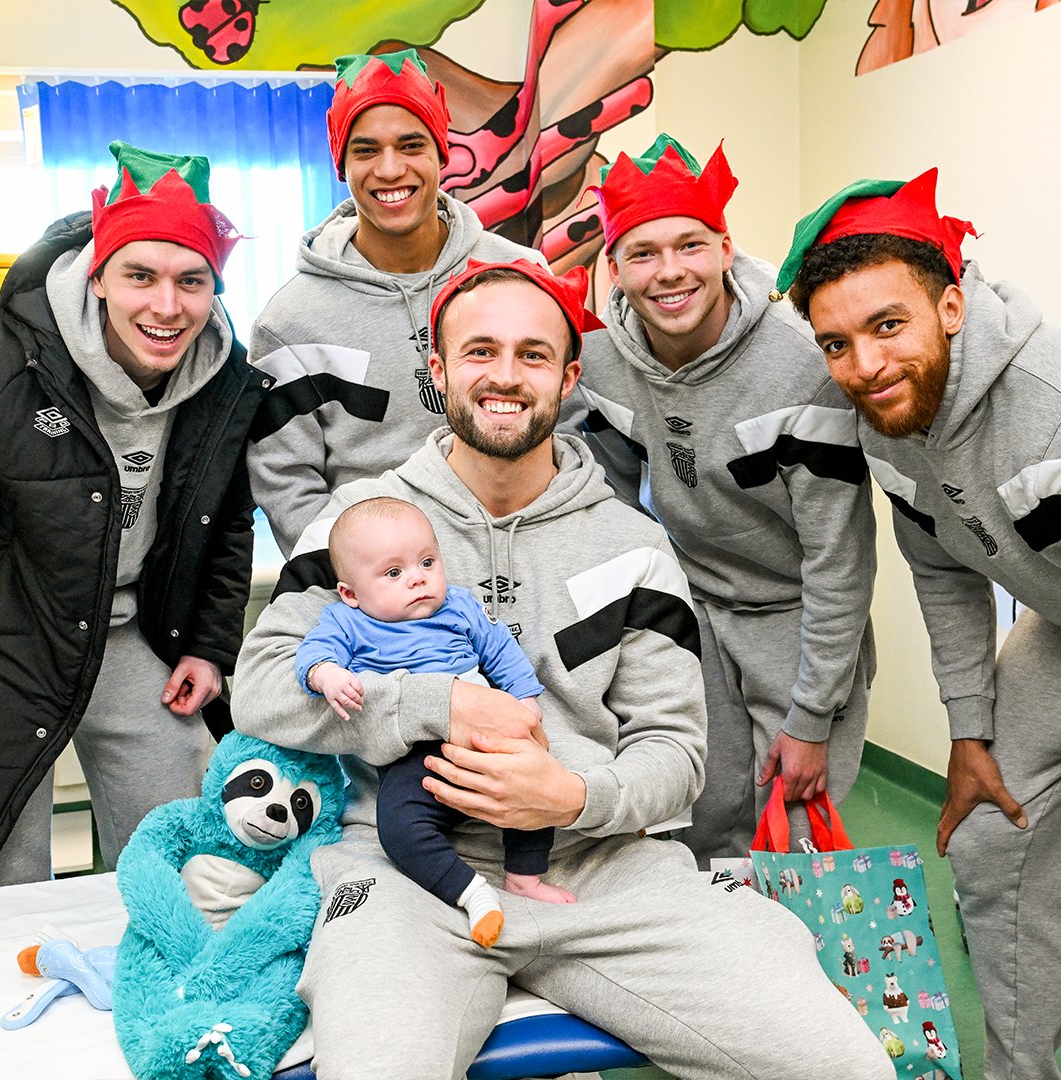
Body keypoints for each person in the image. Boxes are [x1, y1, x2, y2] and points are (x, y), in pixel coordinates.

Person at [232, 258, 895, 1079]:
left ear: (568, 376)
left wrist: (574, 797)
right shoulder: (359, 524)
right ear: (438, 373)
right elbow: (259, 685)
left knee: (843, 1065)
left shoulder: (633, 545)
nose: (504, 375)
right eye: (478, 352)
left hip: (602, 870)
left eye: (533, 355)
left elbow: (677, 757)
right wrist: (430, 705)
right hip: (404, 873)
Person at [778, 166, 1061, 1080]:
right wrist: (970, 732)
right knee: (989, 833)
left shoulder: (1047, 403)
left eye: (886, 326)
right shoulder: (886, 424)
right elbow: (944, 575)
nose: (865, 367)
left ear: (949, 306)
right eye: (836, 344)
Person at [577, 134, 877, 860]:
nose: (670, 272)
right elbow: (610, 507)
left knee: (795, 833)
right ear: (614, 268)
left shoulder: (801, 366)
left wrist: (810, 719)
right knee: (699, 817)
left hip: (796, 614)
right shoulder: (601, 364)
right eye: (643, 254)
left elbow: (839, 561)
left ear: (724, 247)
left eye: (689, 246)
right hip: (693, 608)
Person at [0, 141, 271, 886]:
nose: (166, 306)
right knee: (6, 867)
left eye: (191, 281)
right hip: (7, 637)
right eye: (139, 275)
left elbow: (226, 525)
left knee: (179, 858)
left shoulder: (227, 382)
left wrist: (209, 647)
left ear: (216, 287)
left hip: (133, 633)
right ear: (100, 275)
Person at [247, 48, 550, 557]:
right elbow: (284, 478)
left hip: (524, 559)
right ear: (342, 163)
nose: (390, 169)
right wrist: (360, 574)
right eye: (365, 150)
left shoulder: (522, 277)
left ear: (441, 153)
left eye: (411, 145)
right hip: (377, 587)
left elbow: (565, 427)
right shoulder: (290, 320)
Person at [295, 495, 574, 948]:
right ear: (351, 593)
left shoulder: (459, 606)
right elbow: (311, 655)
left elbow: (499, 648)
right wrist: (326, 674)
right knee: (398, 825)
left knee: (536, 785)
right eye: (393, 573)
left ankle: (525, 876)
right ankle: (470, 892)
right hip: (413, 753)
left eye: (427, 562)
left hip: (482, 732)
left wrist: (525, 698)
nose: (418, 579)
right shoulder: (347, 622)